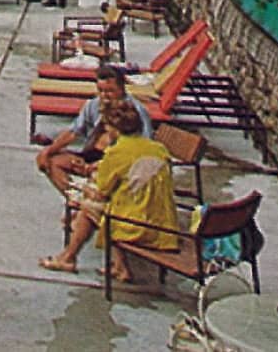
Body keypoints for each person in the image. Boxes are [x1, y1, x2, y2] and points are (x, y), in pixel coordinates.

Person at [39, 101, 179, 281]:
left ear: (114, 129)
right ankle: (119, 267)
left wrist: (84, 188)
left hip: (139, 225)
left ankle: (68, 257)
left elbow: (102, 191)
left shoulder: (117, 152)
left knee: (89, 208)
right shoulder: (158, 148)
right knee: (99, 208)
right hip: (163, 223)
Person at [34, 66, 153, 195]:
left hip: (116, 162)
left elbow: (143, 147)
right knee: (50, 162)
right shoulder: (93, 105)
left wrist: (101, 164)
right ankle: (74, 199)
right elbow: (73, 132)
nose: (104, 95)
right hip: (90, 154)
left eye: (110, 91)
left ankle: (84, 204)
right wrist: (48, 151)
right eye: (100, 90)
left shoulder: (136, 111)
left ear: (122, 89)